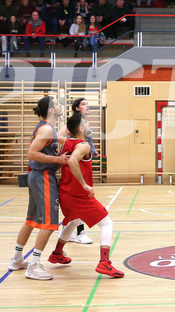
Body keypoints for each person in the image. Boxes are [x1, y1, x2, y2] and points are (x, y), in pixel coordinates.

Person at [50, 113, 124, 278]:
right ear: (81, 128)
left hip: (66, 192)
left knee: (74, 220)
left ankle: (57, 253)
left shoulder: (68, 142)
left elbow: (69, 155)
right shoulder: (83, 145)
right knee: (107, 223)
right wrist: (84, 184)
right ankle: (104, 262)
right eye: (87, 123)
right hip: (78, 195)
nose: (90, 125)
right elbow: (72, 161)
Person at [8, 96, 70, 280]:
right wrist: (57, 160)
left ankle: (17, 259)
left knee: (31, 220)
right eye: (57, 104)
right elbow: (31, 154)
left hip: (37, 176)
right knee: (50, 224)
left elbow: (58, 138)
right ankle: (34, 265)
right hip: (42, 177)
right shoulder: (45, 129)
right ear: (51, 110)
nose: (60, 107)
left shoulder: (47, 129)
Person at [58, 97, 98, 245]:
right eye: (84, 104)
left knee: (78, 198)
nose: (87, 106)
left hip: (84, 156)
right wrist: (74, 145)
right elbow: (59, 136)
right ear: (76, 108)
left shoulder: (84, 122)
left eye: (88, 104)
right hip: (77, 160)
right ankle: (80, 233)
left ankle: (68, 232)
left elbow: (88, 141)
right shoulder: (75, 122)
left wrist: (92, 151)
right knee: (80, 196)